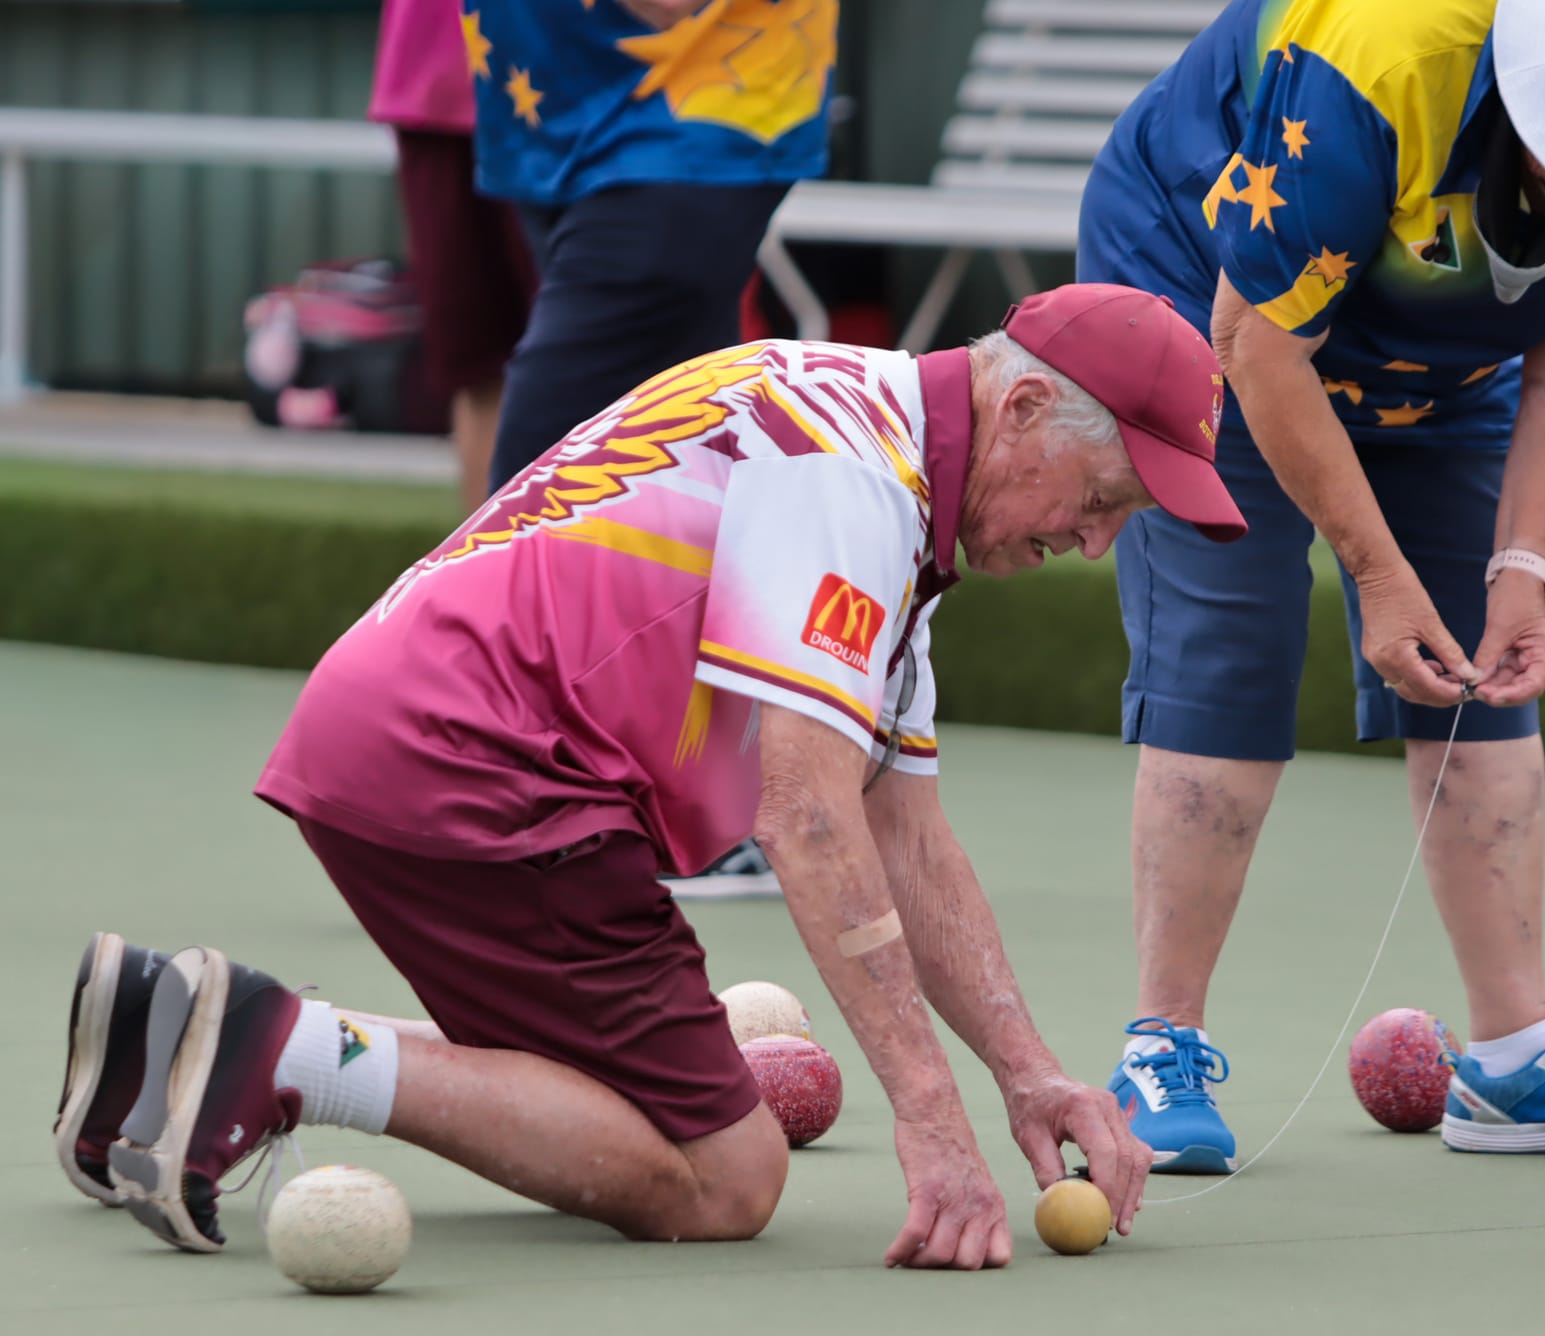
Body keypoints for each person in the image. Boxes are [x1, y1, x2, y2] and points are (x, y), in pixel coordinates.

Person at [54, 285, 1246, 1269]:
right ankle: (276, 1045)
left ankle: (165, 1029)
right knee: (724, 1174)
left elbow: (909, 841)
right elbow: (808, 819)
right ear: (1025, 404)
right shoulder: (854, 478)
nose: (1091, 544)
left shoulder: (868, 445)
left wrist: (1027, 1076)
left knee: (600, 1103)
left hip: (410, 730)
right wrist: (932, 1118)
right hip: (487, 766)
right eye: (1099, 502)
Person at [1074, 0, 1545, 1170]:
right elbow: (1259, 344)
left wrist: (1521, 569)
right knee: (1230, 643)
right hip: (1209, 297)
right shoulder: (1379, 65)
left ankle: (1511, 1057)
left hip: (1437, 348)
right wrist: (1377, 576)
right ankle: (1157, 1050)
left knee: (1483, 676)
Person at [468, 0, 844, 895]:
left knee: (546, 467)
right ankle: (697, 806)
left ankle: (473, 784)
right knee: (675, 459)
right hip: (559, 103)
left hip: (692, 102)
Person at [367, 0, 537, 512]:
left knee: (612, 365)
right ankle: (491, 578)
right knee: (479, 362)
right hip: (435, 76)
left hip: (588, 85)